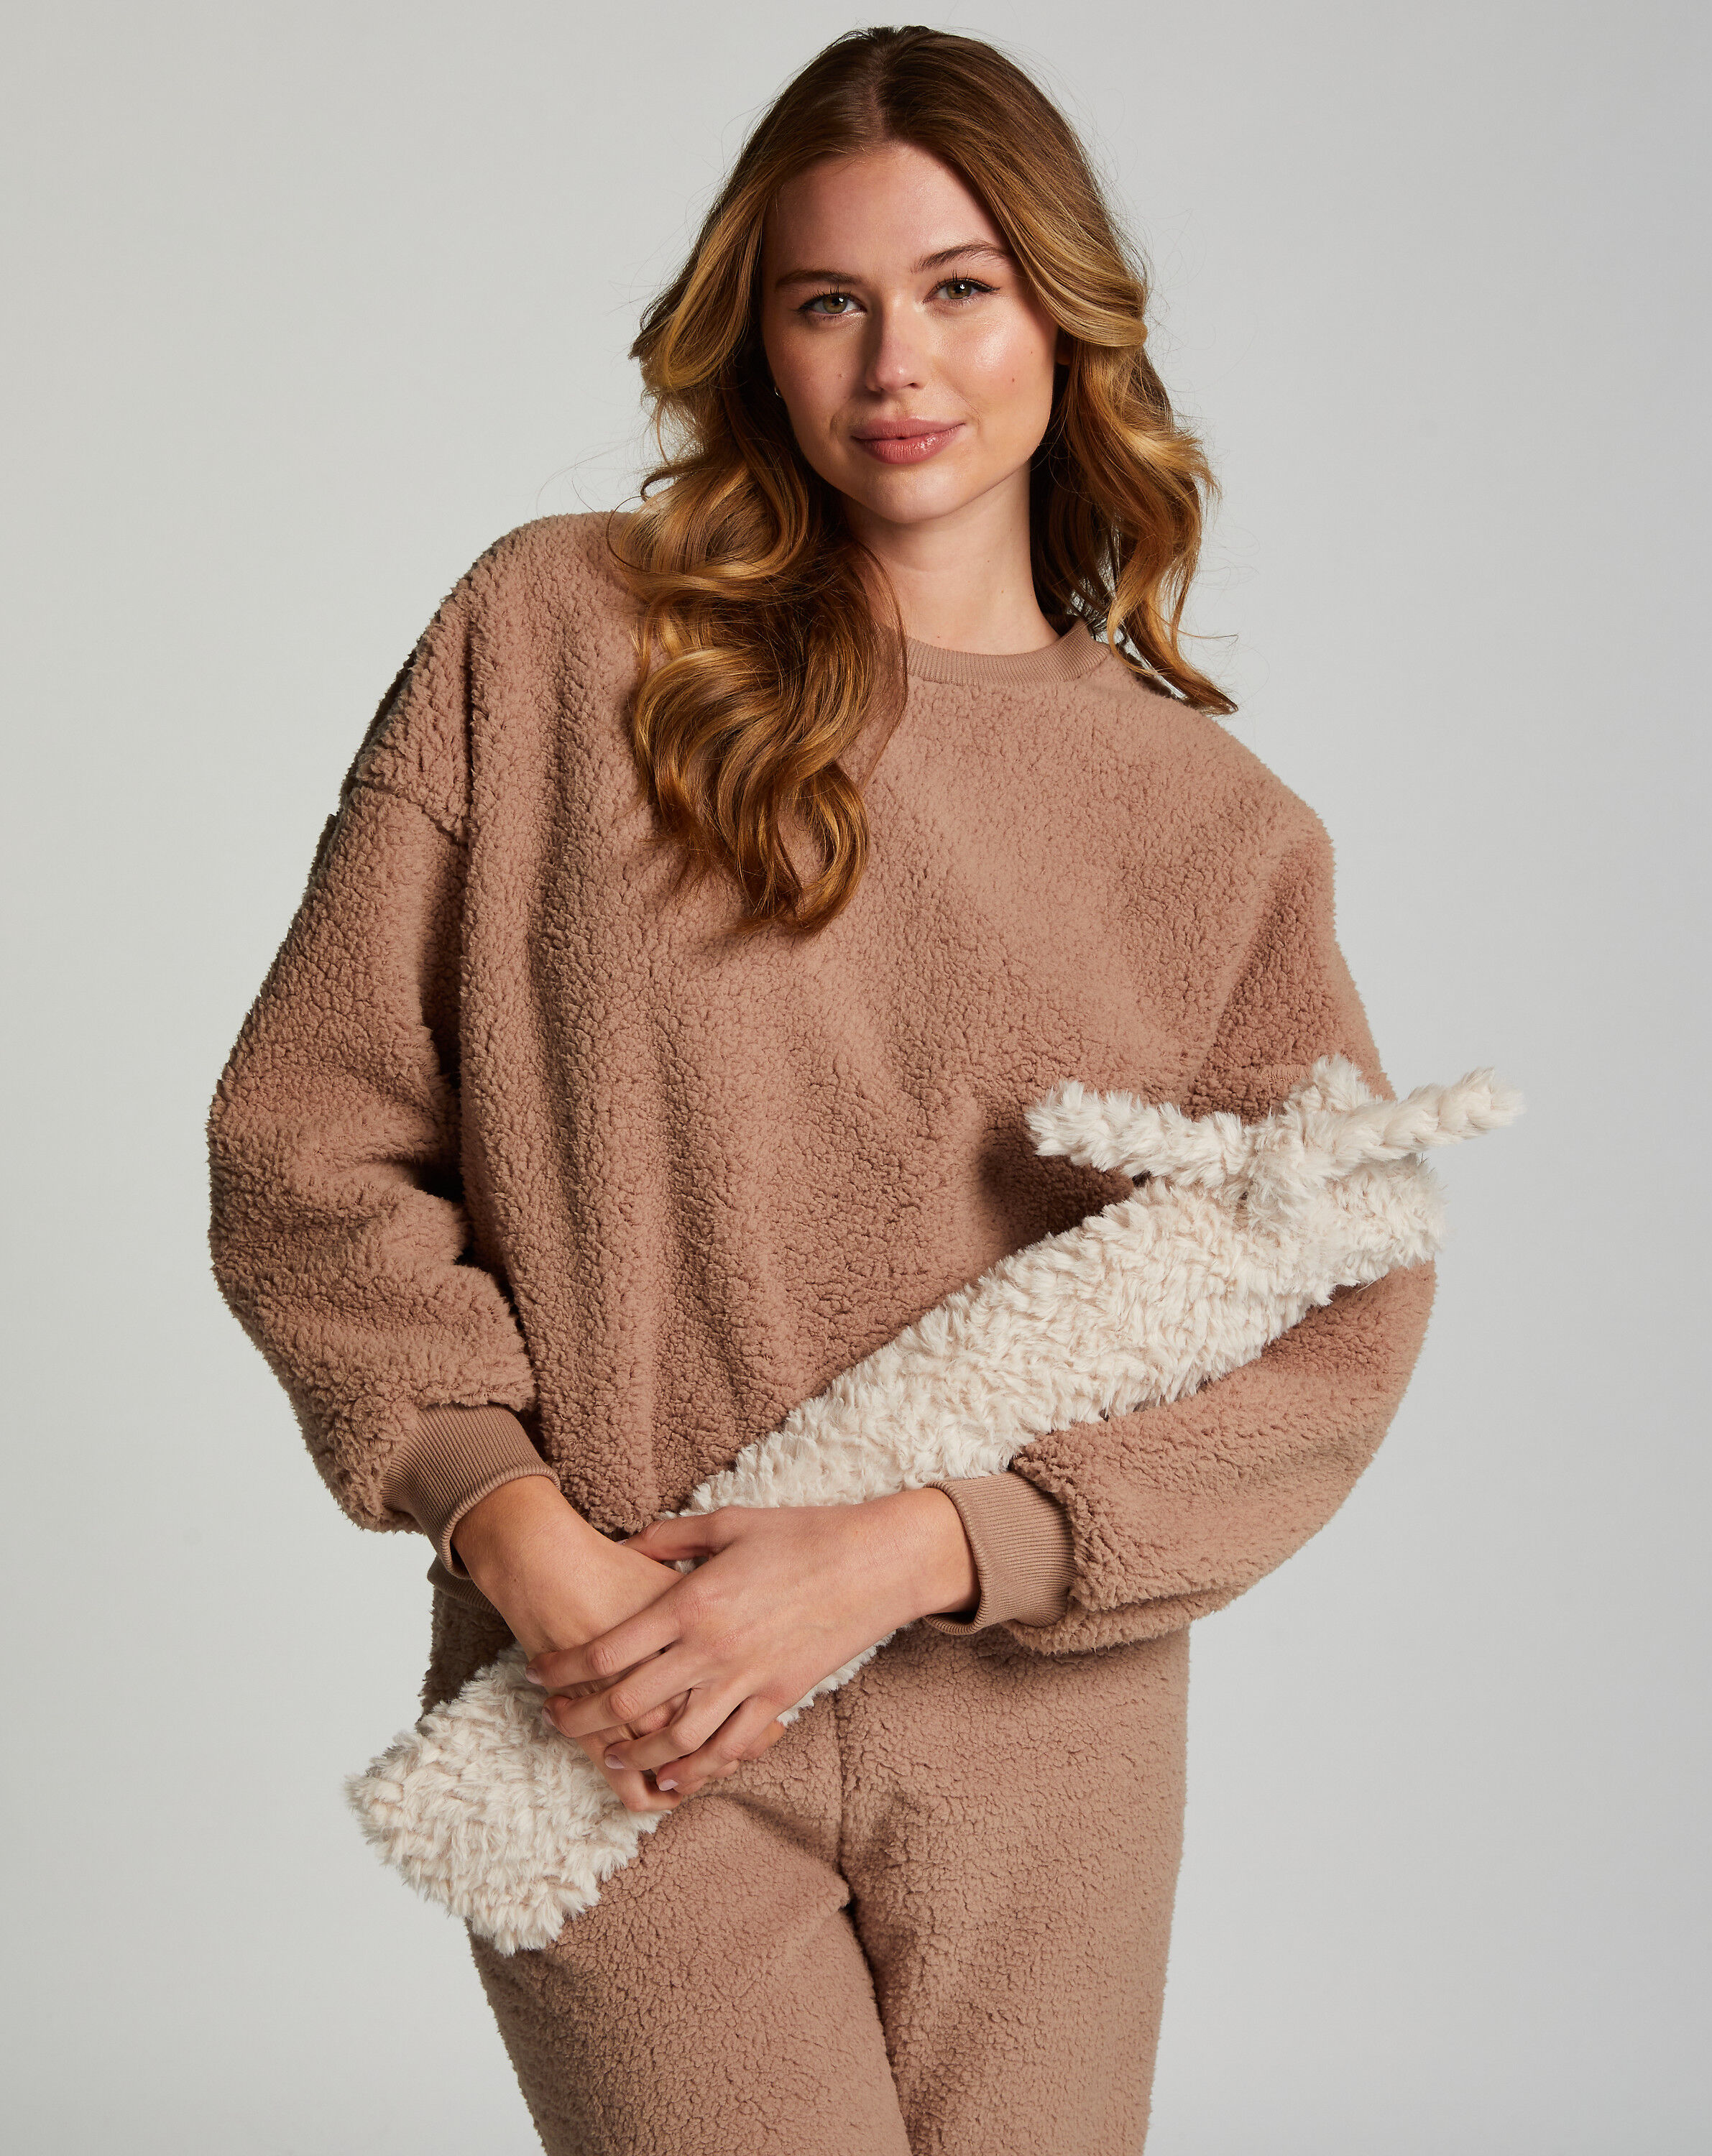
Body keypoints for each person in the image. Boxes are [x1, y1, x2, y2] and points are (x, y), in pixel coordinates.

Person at [206, 25, 1437, 2156]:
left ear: (1064, 316)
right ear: (754, 341)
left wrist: (922, 1550)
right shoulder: (558, 636)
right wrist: (516, 1534)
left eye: (959, 286)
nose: (898, 361)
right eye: (826, 300)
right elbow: (305, 1140)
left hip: (1038, 1744)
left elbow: (1338, 1317)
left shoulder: (1212, 829)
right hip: (620, 1705)